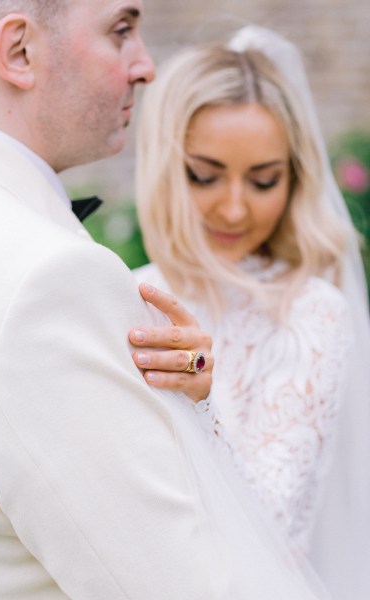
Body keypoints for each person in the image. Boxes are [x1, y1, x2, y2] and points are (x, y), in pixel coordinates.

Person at [0, 2, 334, 599]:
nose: (146, 64)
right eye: (121, 31)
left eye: (263, 178)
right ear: (19, 51)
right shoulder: (53, 280)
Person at [134, 25, 370, 600]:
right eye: (204, 175)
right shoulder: (126, 294)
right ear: (165, 163)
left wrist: (201, 403)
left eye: (264, 180)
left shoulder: (311, 312)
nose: (234, 207)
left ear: (294, 179)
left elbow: (271, 523)